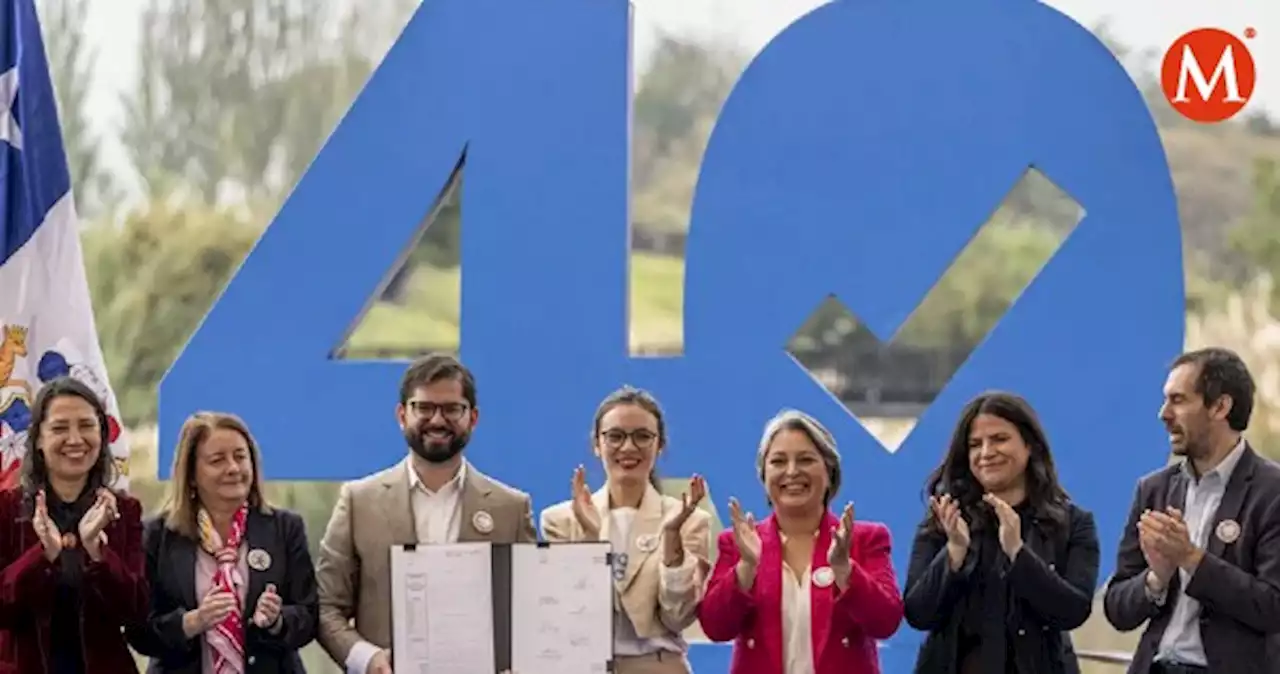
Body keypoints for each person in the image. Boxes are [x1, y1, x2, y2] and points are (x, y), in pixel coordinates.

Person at [315, 353, 538, 674]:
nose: (437, 420)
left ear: (473, 418)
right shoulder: (358, 501)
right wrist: (368, 659)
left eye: (451, 409)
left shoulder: (511, 508)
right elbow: (326, 606)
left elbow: (531, 610)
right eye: (424, 408)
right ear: (401, 415)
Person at [1103, 348, 1280, 674]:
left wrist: (1191, 559)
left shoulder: (1272, 492)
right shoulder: (1152, 489)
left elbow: (1272, 606)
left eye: (1178, 400)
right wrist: (1156, 578)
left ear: (1220, 407)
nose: (1163, 413)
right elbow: (1116, 608)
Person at [903, 391, 1099, 674]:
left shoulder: (1074, 523)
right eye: (975, 444)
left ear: (1029, 445)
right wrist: (954, 552)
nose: (986, 453)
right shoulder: (943, 520)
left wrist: (1018, 552)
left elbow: (1072, 611)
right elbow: (919, 614)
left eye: (999, 439)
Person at [698, 409, 903, 674]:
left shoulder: (865, 539)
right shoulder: (736, 542)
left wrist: (844, 569)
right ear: (764, 475)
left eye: (806, 460)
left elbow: (885, 623)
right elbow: (716, 627)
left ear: (829, 473)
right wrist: (746, 567)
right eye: (779, 462)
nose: (792, 472)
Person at [540, 386, 712, 674]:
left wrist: (671, 539)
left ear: (660, 445)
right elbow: (570, 614)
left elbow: (676, 618)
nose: (629, 448)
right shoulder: (561, 520)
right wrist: (591, 539)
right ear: (597, 444)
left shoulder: (689, 520)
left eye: (642, 436)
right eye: (615, 436)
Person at [129, 411, 318, 673]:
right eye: (217, 460)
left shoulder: (285, 529)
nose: (233, 468)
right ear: (191, 474)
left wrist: (277, 621)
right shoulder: (157, 536)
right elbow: (139, 631)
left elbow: (309, 616)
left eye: (240, 457)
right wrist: (192, 621)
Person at [0, 375, 147, 673]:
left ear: (102, 434)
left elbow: (136, 611)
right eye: (59, 428)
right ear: (39, 439)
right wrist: (43, 555)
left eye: (86, 425)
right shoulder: (7, 508)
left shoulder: (123, 511)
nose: (75, 439)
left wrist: (98, 553)